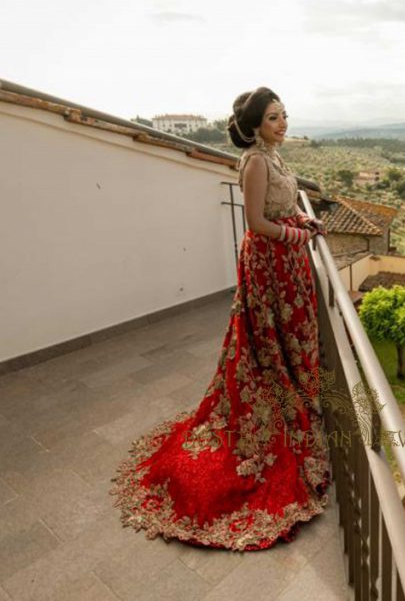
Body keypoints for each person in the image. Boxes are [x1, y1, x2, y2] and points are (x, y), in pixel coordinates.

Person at [109, 87, 332, 551]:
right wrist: (294, 235)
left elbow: (281, 207)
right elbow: (256, 223)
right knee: (267, 342)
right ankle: (279, 412)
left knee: (289, 338)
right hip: (270, 263)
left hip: (285, 261)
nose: (283, 123)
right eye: (274, 118)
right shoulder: (254, 161)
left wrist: (302, 221)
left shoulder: (275, 157)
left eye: (284, 115)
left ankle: (297, 399)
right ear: (255, 126)